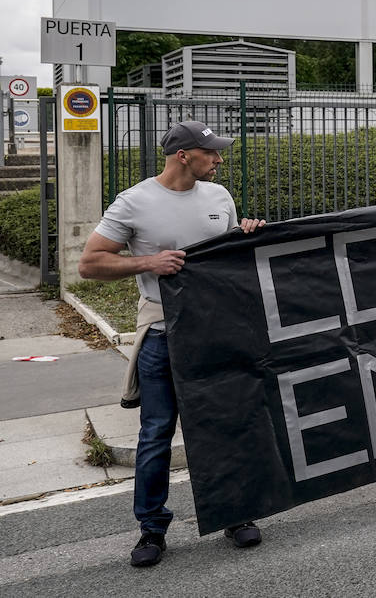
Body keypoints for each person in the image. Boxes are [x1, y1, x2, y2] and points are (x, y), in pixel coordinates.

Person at [78, 120, 268, 568]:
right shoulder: (135, 201)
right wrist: (149, 261)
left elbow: (221, 259)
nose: (219, 159)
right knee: (157, 433)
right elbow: (89, 264)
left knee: (226, 425)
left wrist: (244, 235)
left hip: (216, 331)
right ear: (184, 155)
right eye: (212, 153)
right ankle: (152, 530)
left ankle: (235, 513)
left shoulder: (219, 198)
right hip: (163, 335)